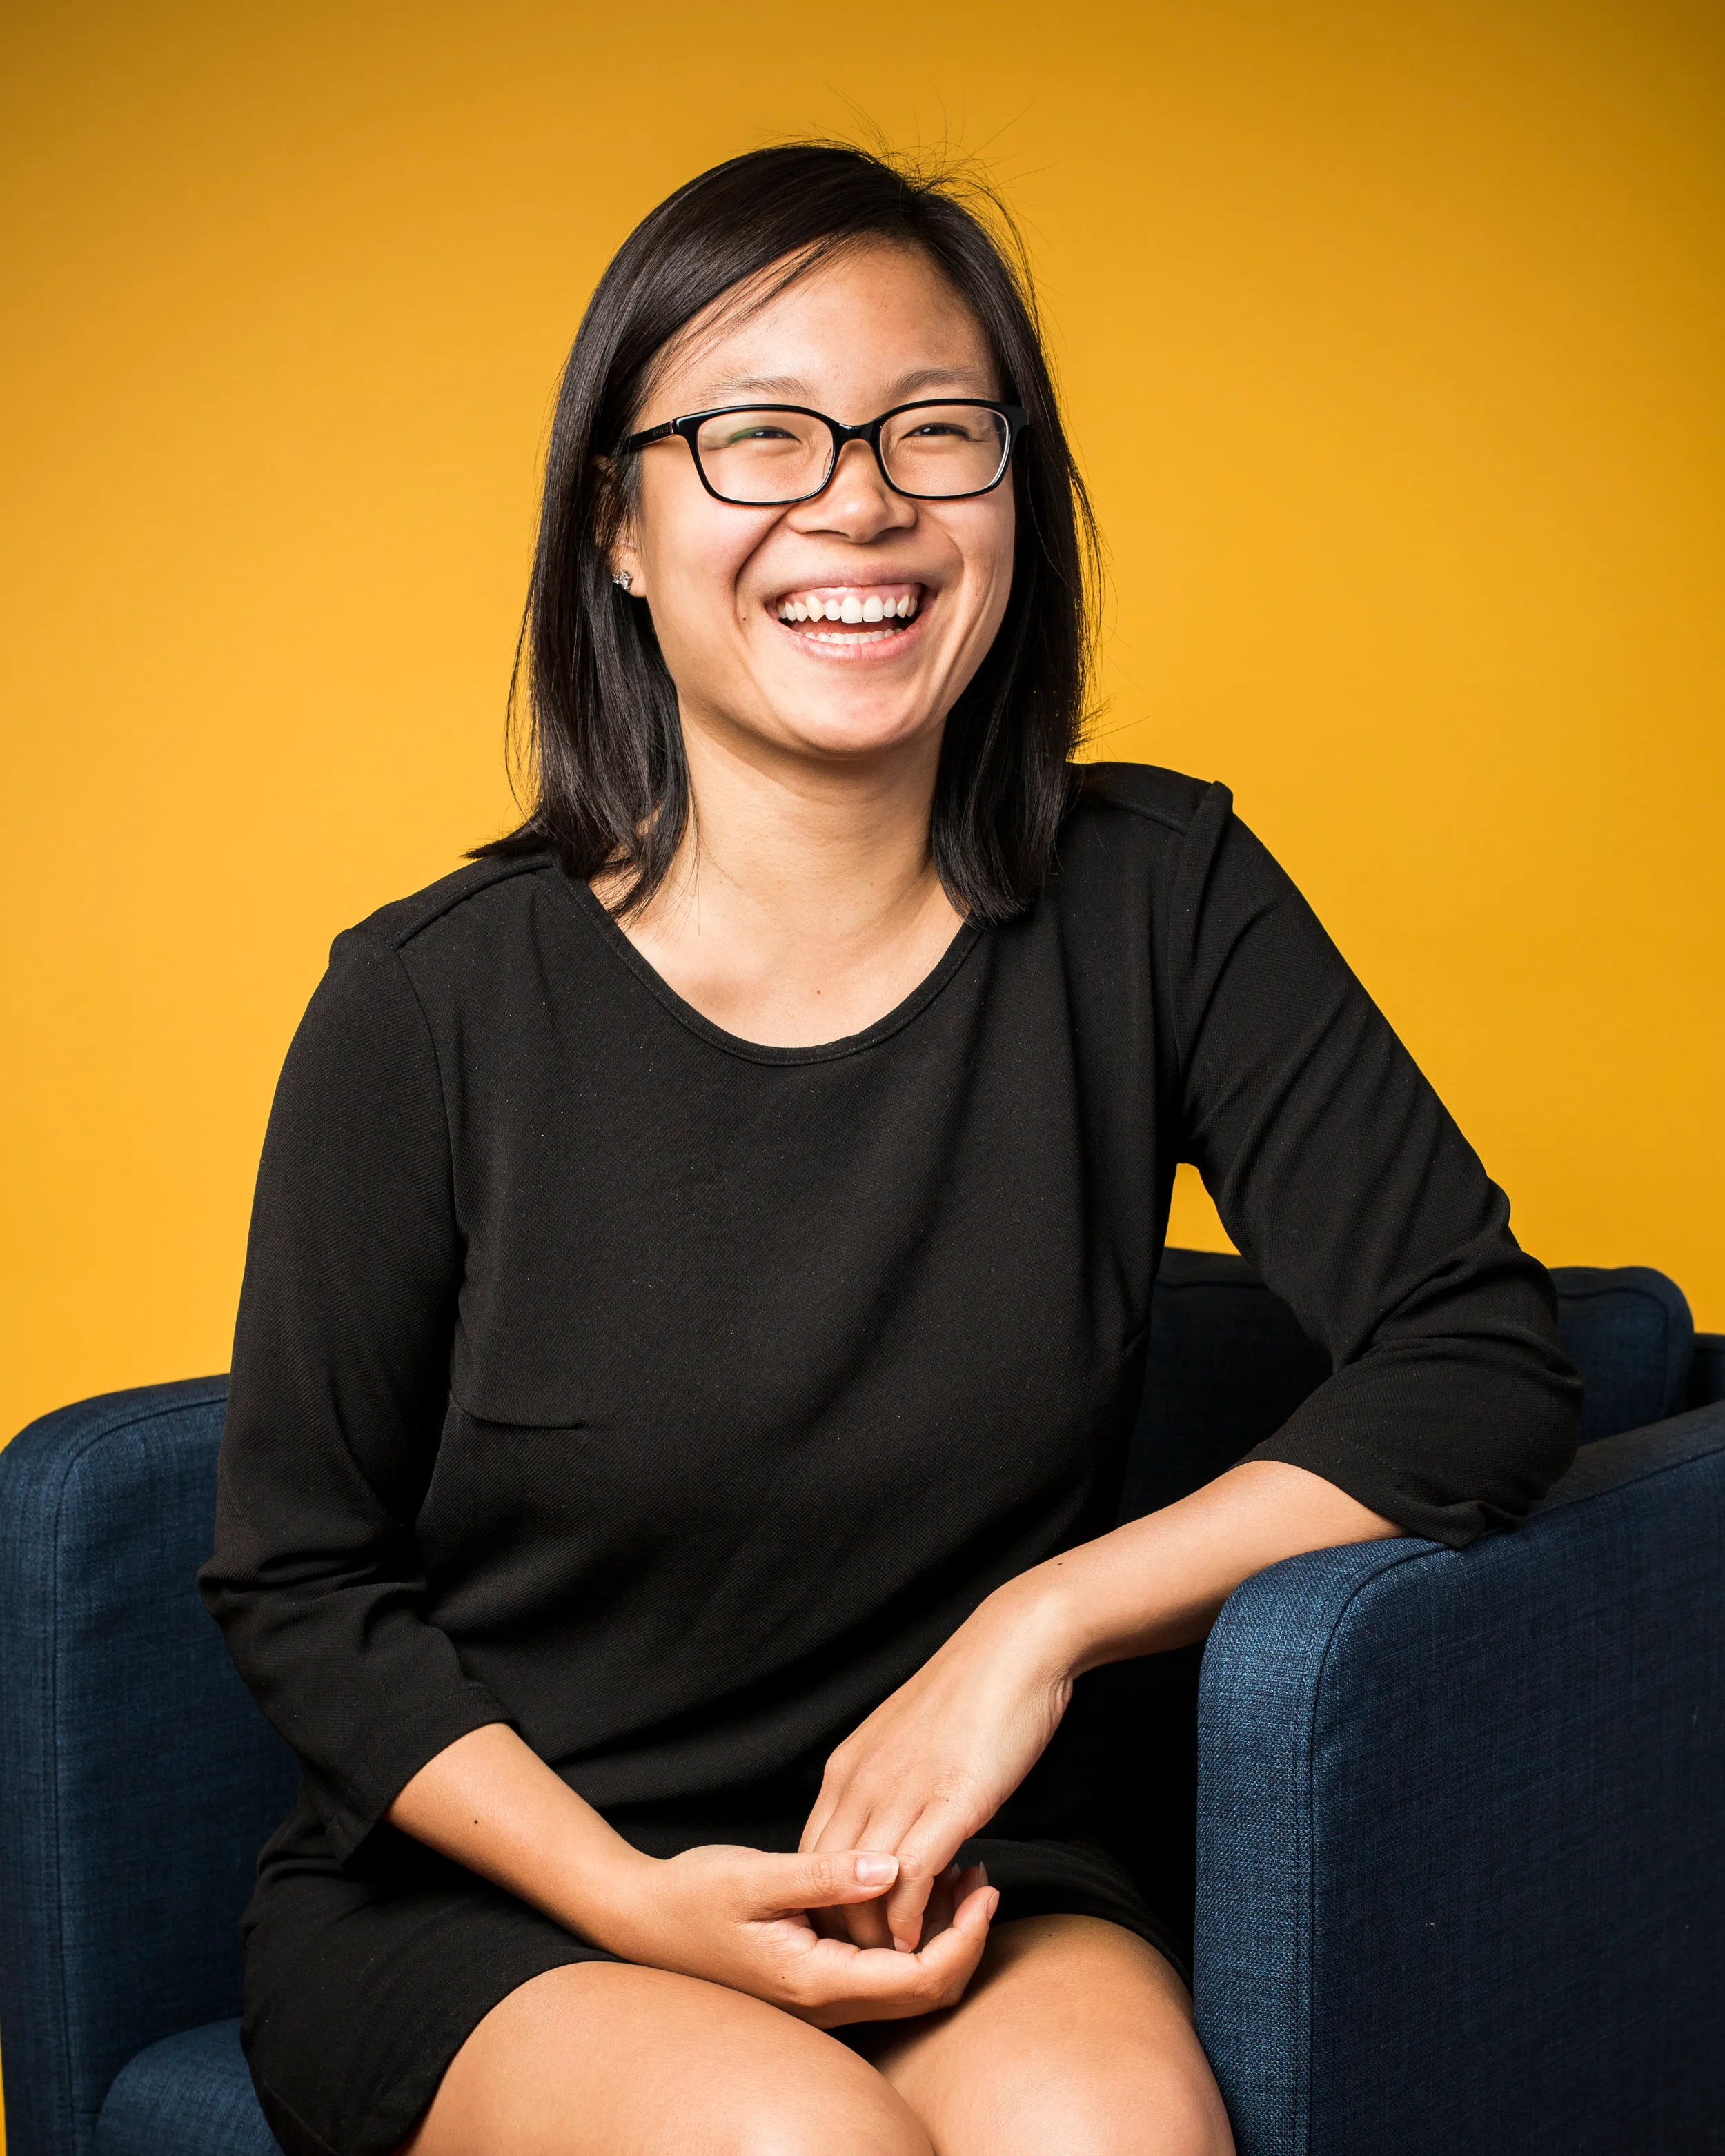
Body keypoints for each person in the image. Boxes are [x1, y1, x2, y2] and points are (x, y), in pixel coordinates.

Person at [199, 142, 1580, 2156]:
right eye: (758, 435)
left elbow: (1478, 1357)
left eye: (935, 429)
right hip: (512, 1895)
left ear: (1015, 490)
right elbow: (297, 1580)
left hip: (962, 1862)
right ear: (618, 527)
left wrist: (1033, 1630)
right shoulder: (426, 1007)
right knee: (793, 2145)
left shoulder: (1158, 894)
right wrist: (627, 1898)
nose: (859, 497)